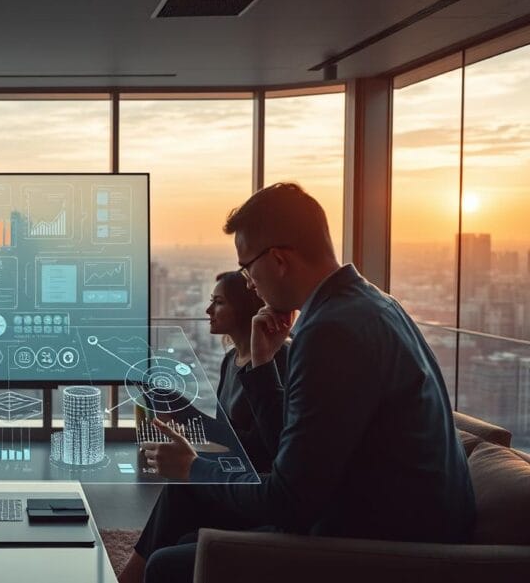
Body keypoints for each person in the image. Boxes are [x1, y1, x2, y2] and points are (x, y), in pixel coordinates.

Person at [119, 183, 474, 583]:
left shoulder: (332, 331)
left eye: (247, 269)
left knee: (171, 563)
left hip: (385, 543)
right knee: (189, 493)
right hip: (386, 515)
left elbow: (289, 503)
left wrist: (196, 467)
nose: (249, 284)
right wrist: (264, 362)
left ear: (278, 261)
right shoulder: (373, 302)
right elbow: (285, 448)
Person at [204, 270, 288, 473]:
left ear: (243, 307)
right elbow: (224, 430)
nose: (208, 310)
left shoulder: (278, 358)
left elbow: (268, 444)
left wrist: (196, 428)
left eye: (219, 302)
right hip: (234, 466)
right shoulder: (230, 359)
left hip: (257, 476)